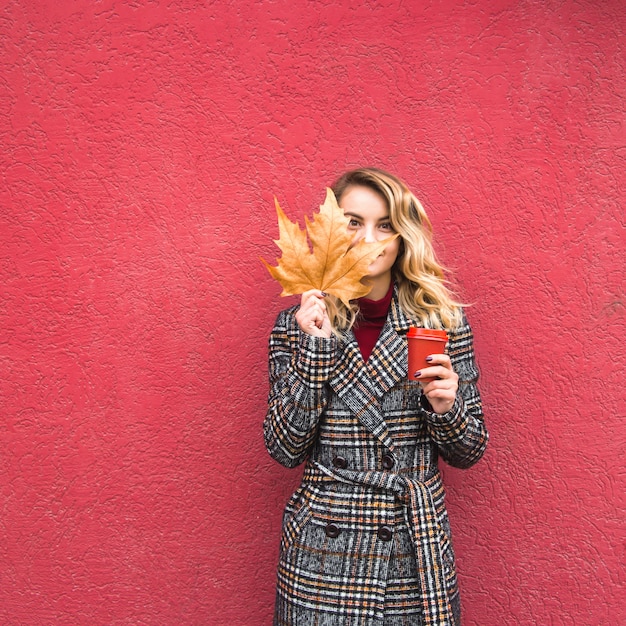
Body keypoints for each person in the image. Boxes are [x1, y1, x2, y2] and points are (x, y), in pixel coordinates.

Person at [263, 167, 488, 626]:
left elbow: (470, 451)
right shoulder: (297, 325)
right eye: (352, 222)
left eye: (385, 224)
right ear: (329, 229)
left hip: (409, 545)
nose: (370, 238)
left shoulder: (441, 321)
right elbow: (284, 449)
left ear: (403, 235)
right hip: (323, 558)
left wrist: (447, 410)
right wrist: (317, 351)